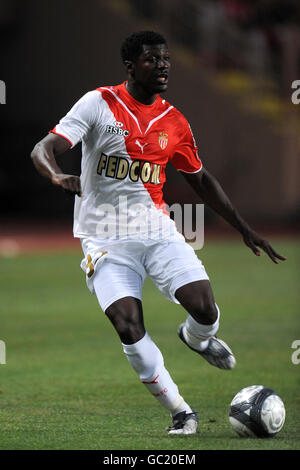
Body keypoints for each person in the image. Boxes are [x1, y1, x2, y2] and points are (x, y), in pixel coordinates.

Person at [31, 31, 286, 435]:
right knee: (128, 324)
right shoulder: (99, 103)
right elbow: (42, 149)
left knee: (204, 307)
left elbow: (201, 179)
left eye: (166, 58)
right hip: (104, 238)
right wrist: (57, 174)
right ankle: (181, 411)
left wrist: (243, 228)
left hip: (156, 230)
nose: (163, 65)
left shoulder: (175, 121)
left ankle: (198, 338)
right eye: (153, 59)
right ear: (131, 66)